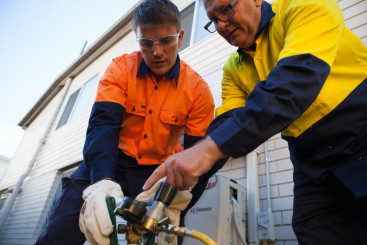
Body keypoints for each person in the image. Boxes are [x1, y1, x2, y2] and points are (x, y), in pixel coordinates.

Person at [143, 0, 367, 244]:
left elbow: (294, 81)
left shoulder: (303, 6)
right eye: (213, 20)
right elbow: (226, 125)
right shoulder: (232, 69)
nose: (221, 25)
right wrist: (179, 189)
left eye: (226, 10)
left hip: (360, 129)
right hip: (309, 159)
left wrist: (206, 151)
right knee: (315, 232)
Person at [35, 0, 215, 244]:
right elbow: (103, 126)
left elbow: (198, 158)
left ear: (180, 36)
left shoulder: (198, 90)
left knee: (161, 239)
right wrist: (101, 182)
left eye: (165, 40)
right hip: (108, 163)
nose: (157, 52)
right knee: (59, 235)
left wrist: (178, 200)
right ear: (137, 39)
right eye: (146, 43)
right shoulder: (120, 69)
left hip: (155, 177)